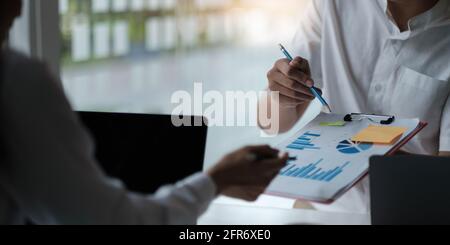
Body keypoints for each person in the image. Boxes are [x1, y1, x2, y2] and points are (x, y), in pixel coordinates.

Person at [0, 1, 288, 225]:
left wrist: (214, 185)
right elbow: (110, 221)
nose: (20, 9)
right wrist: (217, 180)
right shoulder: (15, 79)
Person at [259, 0, 450, 213]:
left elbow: (443, 179)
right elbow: (270, 123)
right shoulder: (333, 5)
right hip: (318, 210)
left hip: (410, 213)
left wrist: (369, 156)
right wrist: (282, 95)